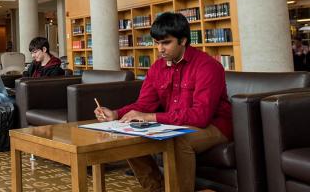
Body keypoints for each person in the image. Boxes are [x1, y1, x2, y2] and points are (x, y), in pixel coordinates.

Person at [94, 13, 232, 192]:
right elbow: (144, 104)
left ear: (183, 40)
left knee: (178, 141)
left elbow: (201, 116)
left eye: (166, 42)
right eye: (157, 43)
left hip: (215, 125)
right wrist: (116, 114)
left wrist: (151, 117)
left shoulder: (207, 66)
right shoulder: (157, 68)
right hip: (176, 123)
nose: (160, 48)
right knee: (128, 136)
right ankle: (157, 188)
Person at [0, 36, 63, 148]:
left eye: (35, 52)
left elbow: (45, 91)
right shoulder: (35, 64)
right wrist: (11, 86)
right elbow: (24, 77)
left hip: (28, 99)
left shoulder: (55, 69)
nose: (33, 56)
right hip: (18, 93)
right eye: (32, 53)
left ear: (44, 49)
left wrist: (21, 88)